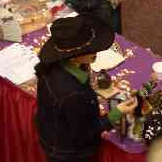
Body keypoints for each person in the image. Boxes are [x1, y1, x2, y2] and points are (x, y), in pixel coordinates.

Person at [35, 15, 138, 162]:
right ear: (73, 57)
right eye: (91, 51)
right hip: (69, 153)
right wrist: (116, 113)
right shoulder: (71, 93)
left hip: (53, 133)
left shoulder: (54, 65)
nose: (96, 52)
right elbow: (84, 134)